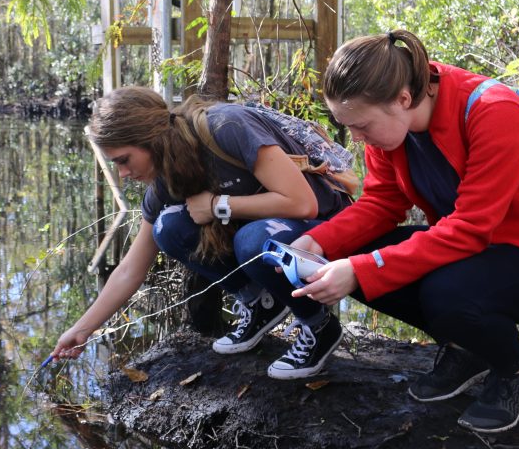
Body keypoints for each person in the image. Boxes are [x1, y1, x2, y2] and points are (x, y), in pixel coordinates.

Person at [286, 29, 519, 433]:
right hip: (478, 249)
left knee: (442, 292)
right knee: (347, 256)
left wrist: (364, 267)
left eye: (361, 126)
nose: (355, 137)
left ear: (403, 99)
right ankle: (466, 349)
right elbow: (383, 204)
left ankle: (514, 370)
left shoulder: (494, 110)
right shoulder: (388, 125)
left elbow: (470, 229)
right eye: (348, 126)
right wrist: (317, 242)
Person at [51, 85, 352, 377]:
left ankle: (318, 325)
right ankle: (261, 304)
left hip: (326, 229)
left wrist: (217, 206)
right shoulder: (164, 183)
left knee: (253, 240)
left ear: (149, 139)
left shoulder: (226, 127)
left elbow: (302, 204)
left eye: (124, 160)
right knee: (168, 227)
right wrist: (81, 330)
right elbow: (131, 268)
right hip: (277, 233)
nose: (124, 174)